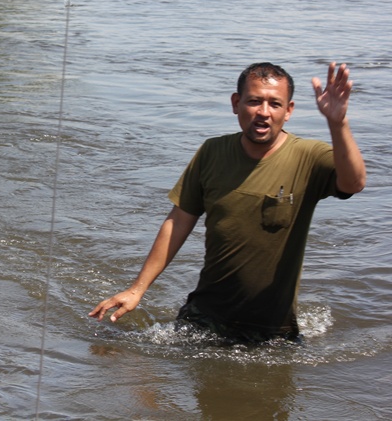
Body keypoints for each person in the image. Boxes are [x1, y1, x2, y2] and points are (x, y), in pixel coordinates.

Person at [89, 61, 366, 342]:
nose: (264, 113)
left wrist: (338, 121)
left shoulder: (309, 157)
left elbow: (353, 183)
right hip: (204, 317)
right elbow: (177, 222)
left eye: (275, 104)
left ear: (289, 111)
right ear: (236, 103)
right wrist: (137, 289)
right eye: (254, 101)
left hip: (273, 327)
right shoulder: (212, 152)